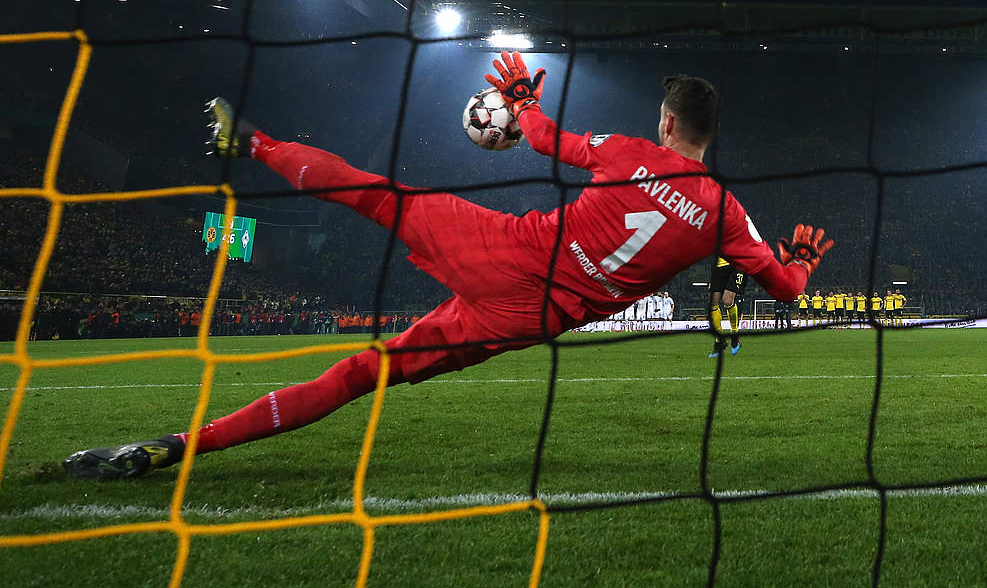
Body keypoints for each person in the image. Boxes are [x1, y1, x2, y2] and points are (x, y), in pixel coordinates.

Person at [64, 52, 833, 479]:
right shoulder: (728, 213)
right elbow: (787, 288)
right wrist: (798, 259)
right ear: (711, 133)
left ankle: (254, 146)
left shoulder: (630, 154)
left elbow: (542, 140)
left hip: (509, 251)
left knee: (376, 196)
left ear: (666, 122)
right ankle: (176, 448)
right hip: (523, 322)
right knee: (363, 374)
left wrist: (522, 97)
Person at [707, 256, 748, 357]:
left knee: (727, 300)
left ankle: (734, 334)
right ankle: (720, 340)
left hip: (736, 263)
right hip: (718, 265)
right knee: (713, 302)